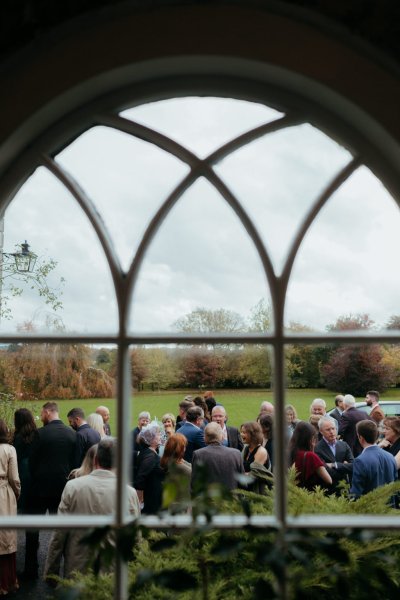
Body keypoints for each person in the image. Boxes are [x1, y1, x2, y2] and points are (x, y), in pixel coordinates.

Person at [44, 437, 140, 580]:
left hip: (77, 570)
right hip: (113, 573)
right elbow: (135, 538)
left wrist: (51, 572)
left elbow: (59, 533)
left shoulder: (73, 487)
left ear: (95, 460)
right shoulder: (129, 493)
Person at [26, 401, 77, 580]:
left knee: (32, 529)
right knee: (62, 531)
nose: (41, 416)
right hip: (62, 489)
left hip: (39, 488)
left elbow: (31, 461)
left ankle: (31, 569)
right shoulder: (72, 434)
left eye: (42, 413)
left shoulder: (39, 434)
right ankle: (63, 570)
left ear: (48, 412)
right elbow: (75, 464)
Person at [191, 422, 244, 494]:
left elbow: (195, 484)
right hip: (231, 502)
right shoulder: (236, 454)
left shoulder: (198, 454)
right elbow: (243, 483)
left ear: (205, 437)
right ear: (222, 436)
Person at [350, 420, 397, 499]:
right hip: (389, 507)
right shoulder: (390, 456)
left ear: (360, 437)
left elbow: (356, 493)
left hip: (371, 508)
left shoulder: (360, 460)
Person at [0, 419, 21, 596]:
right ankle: (7, 582)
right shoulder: (9, 449)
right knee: (5, 537)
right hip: (3, 493)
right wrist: (16, 494)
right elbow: (14, 478)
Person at [288, 421, 332, 491]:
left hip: (294, 494)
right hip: (310, 496)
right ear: (310, 438)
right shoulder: (310, 456)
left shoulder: (290, 452)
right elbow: (329, 480)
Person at [315, 416, 353, 492]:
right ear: (321, 431)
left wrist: (334, 465)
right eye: (328, 430)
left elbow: (353, 466)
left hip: (344, 490)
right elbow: (325, 472)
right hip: (327, 491)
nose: (332, 432)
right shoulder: (317, 449)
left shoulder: (344, 445)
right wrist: (344, 467)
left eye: (333, 428)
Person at [12, 407, 38, 512]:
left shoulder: (18, 437)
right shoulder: (37, 434)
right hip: (35, 470)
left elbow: (16, 456)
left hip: (22, 470)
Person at [135, 424, 164, 514]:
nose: (160, 436)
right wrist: (140, 501)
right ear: (151, 439)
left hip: (154, 494)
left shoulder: (150, 452)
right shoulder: (150, 456)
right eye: (158, 434)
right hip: (151, 497)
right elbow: (140, 478)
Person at [160, 433, 191, 511]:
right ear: (178, 448)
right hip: (179, 505)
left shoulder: (175, 460)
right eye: (183, 446)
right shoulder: (176, 465)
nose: (185, 449)